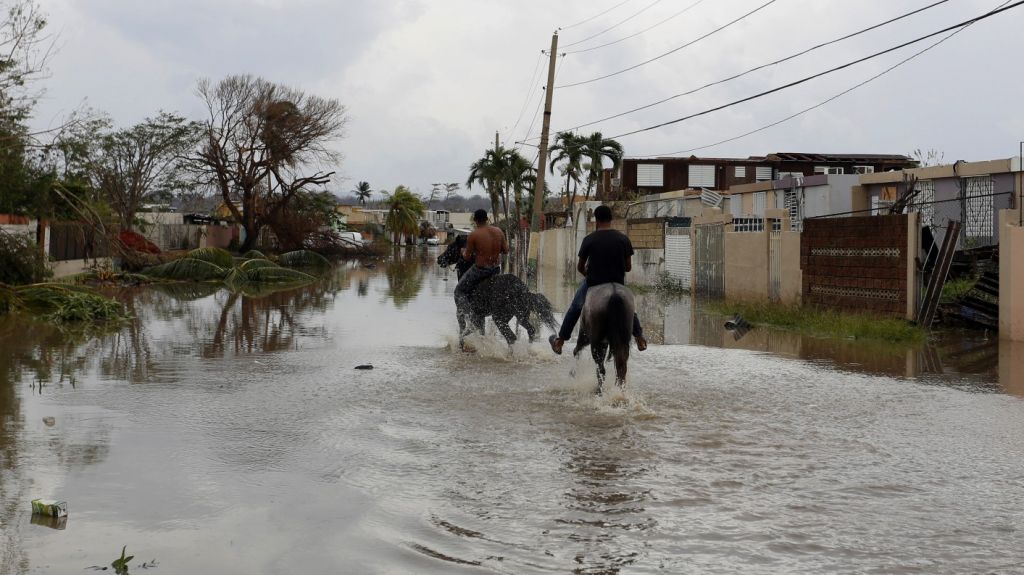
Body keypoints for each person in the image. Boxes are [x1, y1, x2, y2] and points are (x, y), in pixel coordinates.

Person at [549, 204, 646, 355]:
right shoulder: (623, 239)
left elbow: (580, 267)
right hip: (618, 283)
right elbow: (628, 267)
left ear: (596, 219)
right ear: (611, 219)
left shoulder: (589, 239)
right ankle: (639, 337)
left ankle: (560, 341)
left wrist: (588, 273)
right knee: (630, 308)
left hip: (593, 283)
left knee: (575, 307)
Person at [454, 209, 508, 342]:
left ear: (475, 220)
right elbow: (506, 250)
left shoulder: (474, 234)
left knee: (458, 291)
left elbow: (467, 257)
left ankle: (471, 316)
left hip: (480, 270)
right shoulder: (499, 231)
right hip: (496, 270)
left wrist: (464, 253)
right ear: (487, 219)